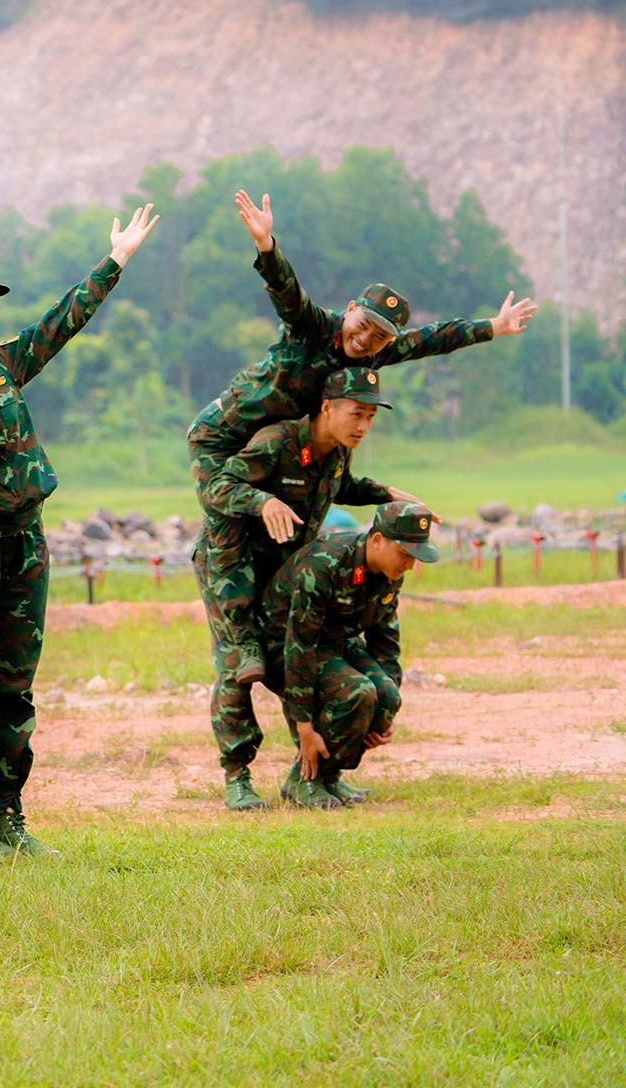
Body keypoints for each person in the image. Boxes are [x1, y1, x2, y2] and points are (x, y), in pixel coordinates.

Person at [185, 188, 534, 687]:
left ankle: (289, 636)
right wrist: (266, 246)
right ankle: (239, 647)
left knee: (298, 522)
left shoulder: (370, 359)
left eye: (379, 336)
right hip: (223, 439)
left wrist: (492, 328)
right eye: (365, 325)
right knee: (227, 517)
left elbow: (428, 339)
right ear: (349, 310)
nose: (367, 339)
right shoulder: (313, 329)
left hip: (279, 448)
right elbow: (288, 294)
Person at [0, 205, 161, 857]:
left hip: (25, 544)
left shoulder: (5, 364)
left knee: (14, 687)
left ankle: (11, 816)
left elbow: (62, 324)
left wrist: (114, 262)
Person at [196, 368, 419, 809]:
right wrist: (263, 501)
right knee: (242, 665)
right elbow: (216, 485)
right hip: (234, 565)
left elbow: (342, 487)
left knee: (305, 652)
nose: (363, 426)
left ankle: (314, 770)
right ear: (327, 408)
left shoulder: (336, 452)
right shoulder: (277, 442)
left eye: (371, 417)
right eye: (357, 414)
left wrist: (388, 493)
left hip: (286, 566)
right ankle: (237, 776)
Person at [259, 500, 439, 808]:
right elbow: (299, 644)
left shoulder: (390, 573)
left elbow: (385, 640)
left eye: (415, 558)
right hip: (283, 648)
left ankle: (328, 777)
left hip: (334, 643)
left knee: (384, 696)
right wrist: (303, 725)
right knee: (357, 692)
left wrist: (384, 714)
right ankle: (302, 781)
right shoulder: (324, 563)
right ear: (378, 540)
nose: (409, 565)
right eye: (405, 555)